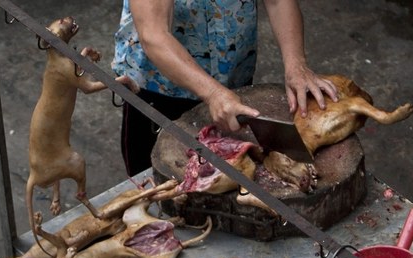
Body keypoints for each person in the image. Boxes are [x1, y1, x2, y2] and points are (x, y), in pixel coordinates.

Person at [112, 0, 339, 176]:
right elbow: (154, 35)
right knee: (159, 186)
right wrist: (212, 93)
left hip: (233, 77)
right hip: (161, 89)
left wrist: (296, 64)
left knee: (232, 177)